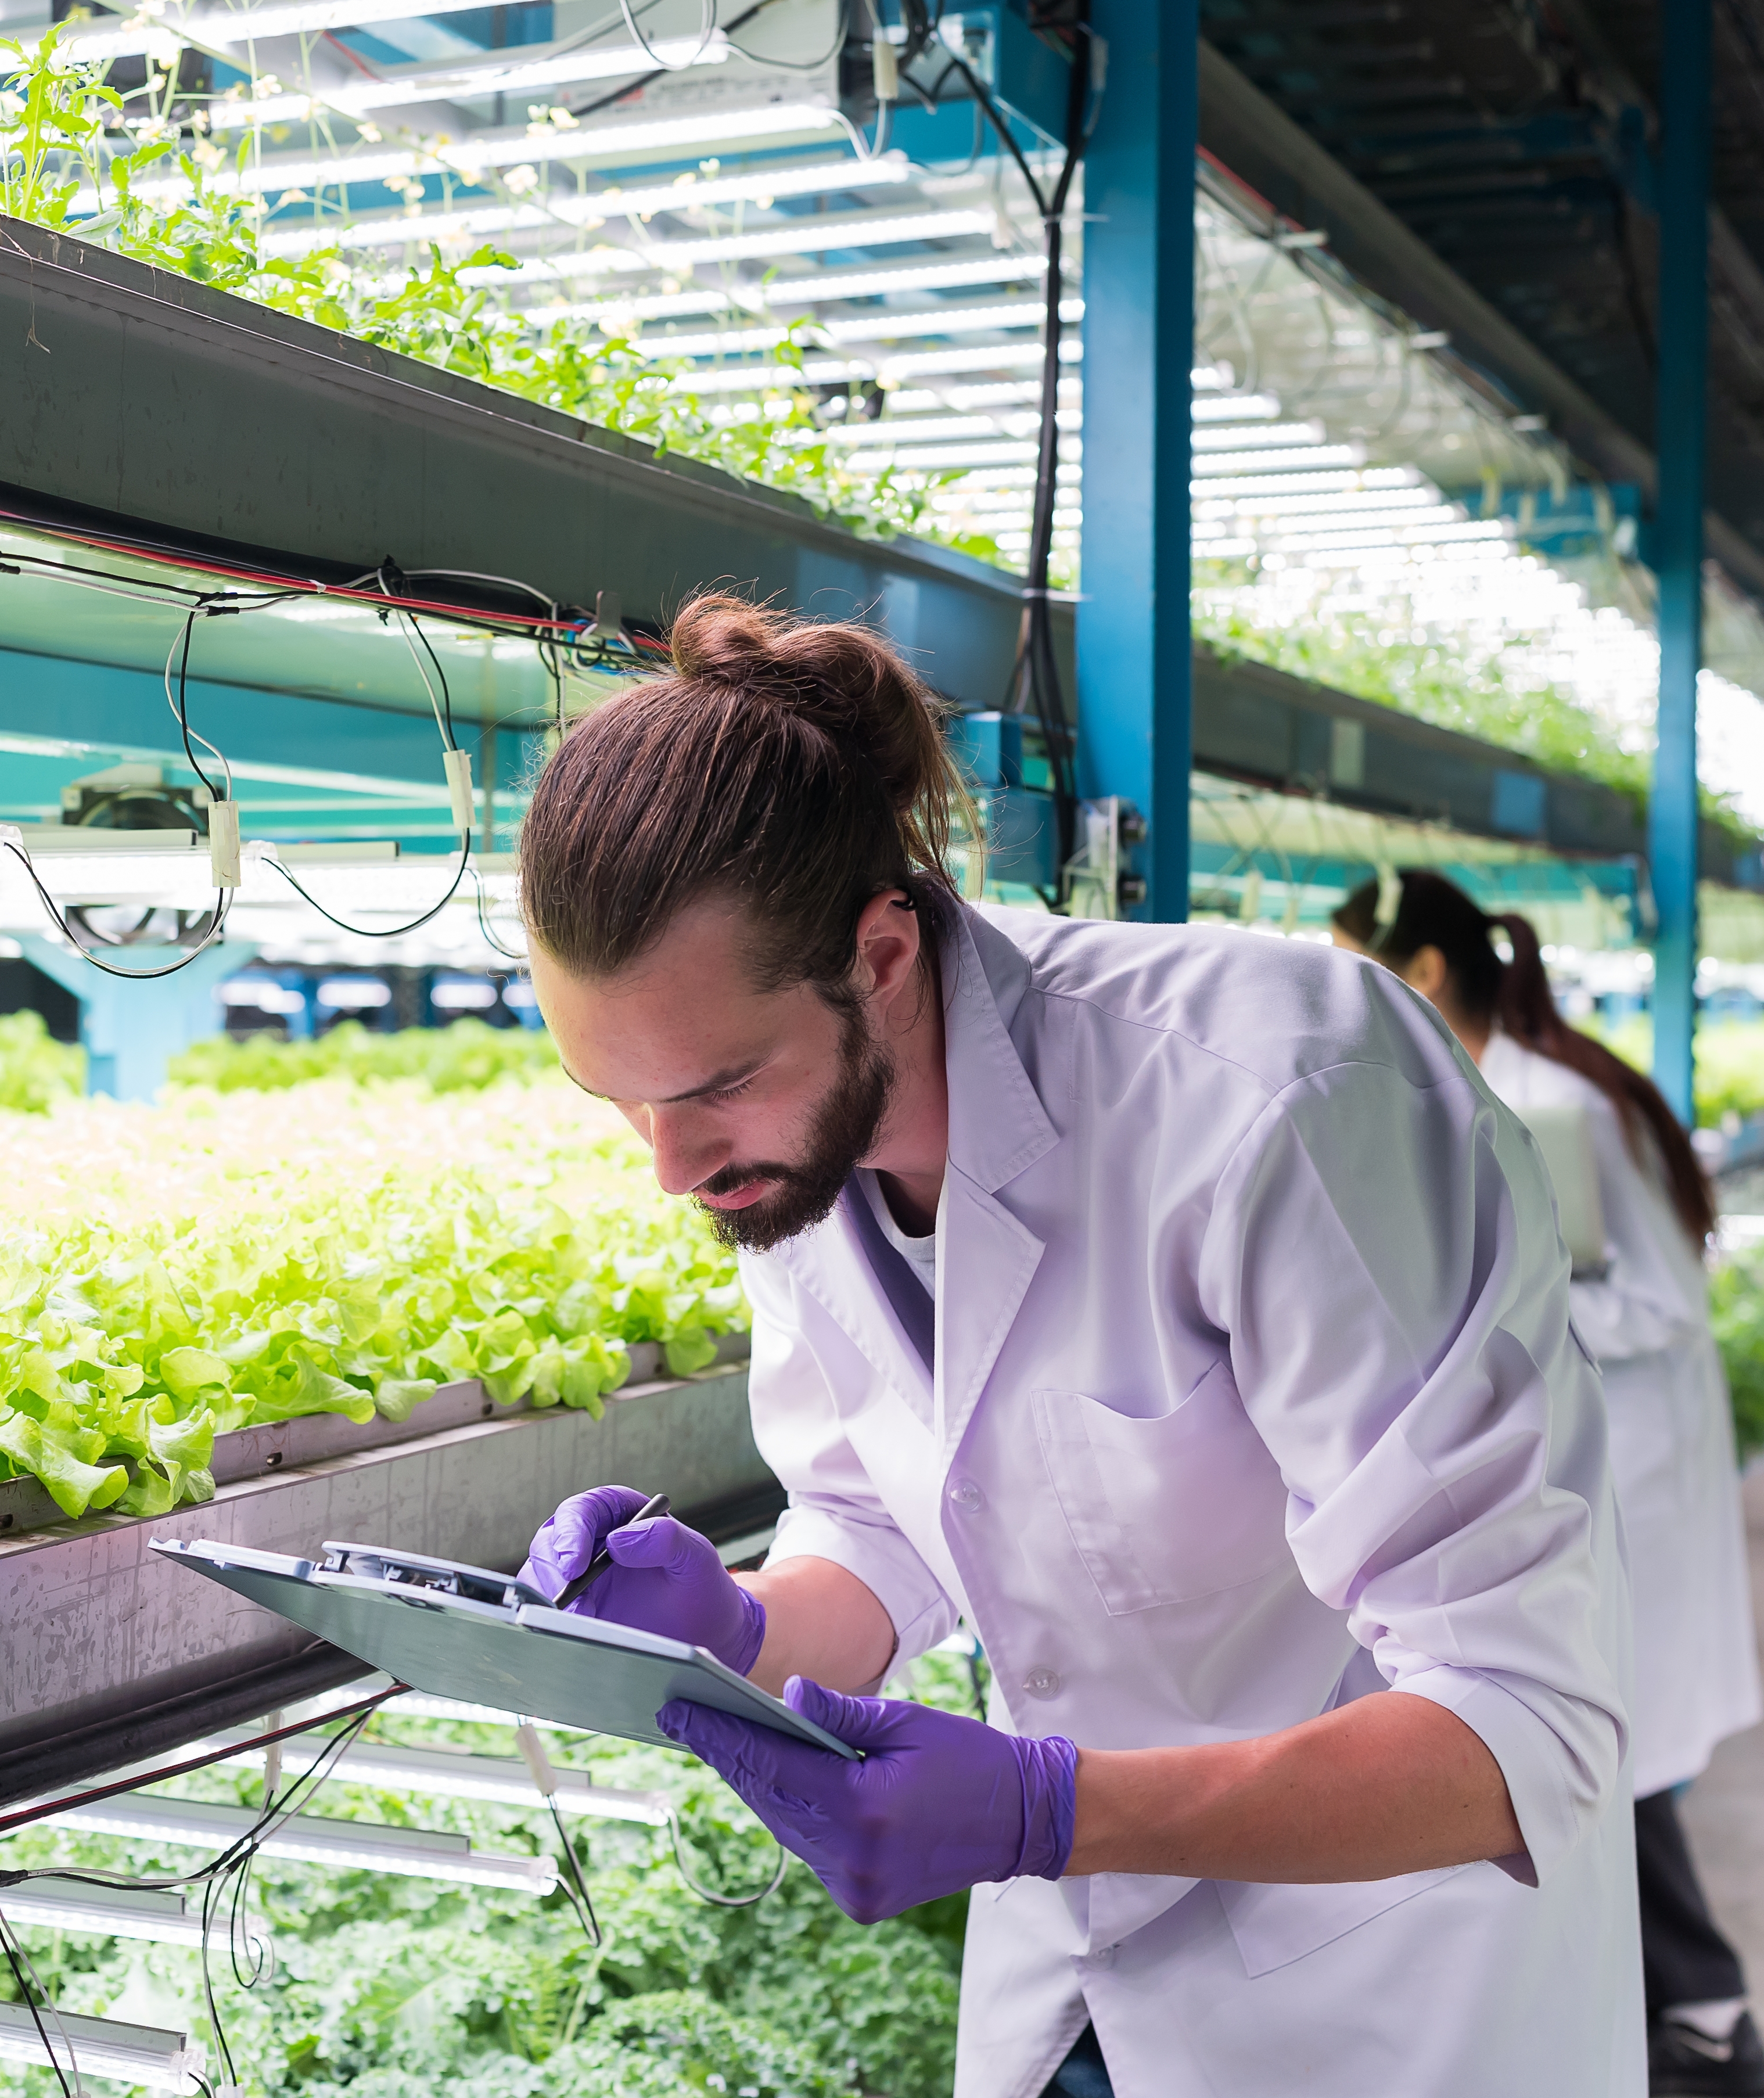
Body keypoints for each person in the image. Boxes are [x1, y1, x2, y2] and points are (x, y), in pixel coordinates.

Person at [513, 594, 1639, 2098]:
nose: (672, 1165)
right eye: (622, 1102)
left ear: (884, 952)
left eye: (715, 1082)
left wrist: (1056, 1809)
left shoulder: (1277, 1093)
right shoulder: (797, 1158)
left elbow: (1526, 1719)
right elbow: (888, 1527)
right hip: (1077, 1987)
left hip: (1378, 1990)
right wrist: (738, 1626)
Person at [1335, 870, 1764, 2097]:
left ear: (1420, 975)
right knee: (1593, 1759)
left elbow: (1661, 1302)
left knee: (1594, 1760)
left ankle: (1712, 2026)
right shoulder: (1511, 1086)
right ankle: (1690, 2018)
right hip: (1604, 1470)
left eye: (1348, 964)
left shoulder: (1548, 1101)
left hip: (1629, 1471)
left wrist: (1497, 1302)